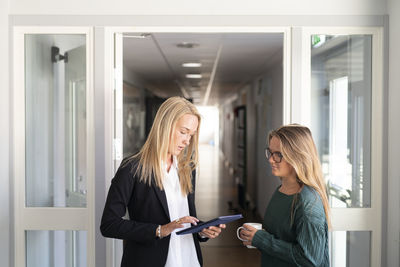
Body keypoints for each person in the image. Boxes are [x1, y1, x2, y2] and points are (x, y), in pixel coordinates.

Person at [100, 96, 225, 267]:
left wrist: (202, 229)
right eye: (183, 132)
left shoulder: (186, 169)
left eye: (191, 134)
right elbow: (109, 224)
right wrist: (159, 230)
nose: (187, 141)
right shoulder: (132, 168)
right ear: (164, 126)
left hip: (189, 260)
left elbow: (182, 217)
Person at [238, 124, 330, 267]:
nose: (270, 160)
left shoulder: (308, 203)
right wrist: (256, 237)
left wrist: (262, 240)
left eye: (278, 155)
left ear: (297, 156)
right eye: (270, 152)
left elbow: (309, 260)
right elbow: (279, 237)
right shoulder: (281, 190)